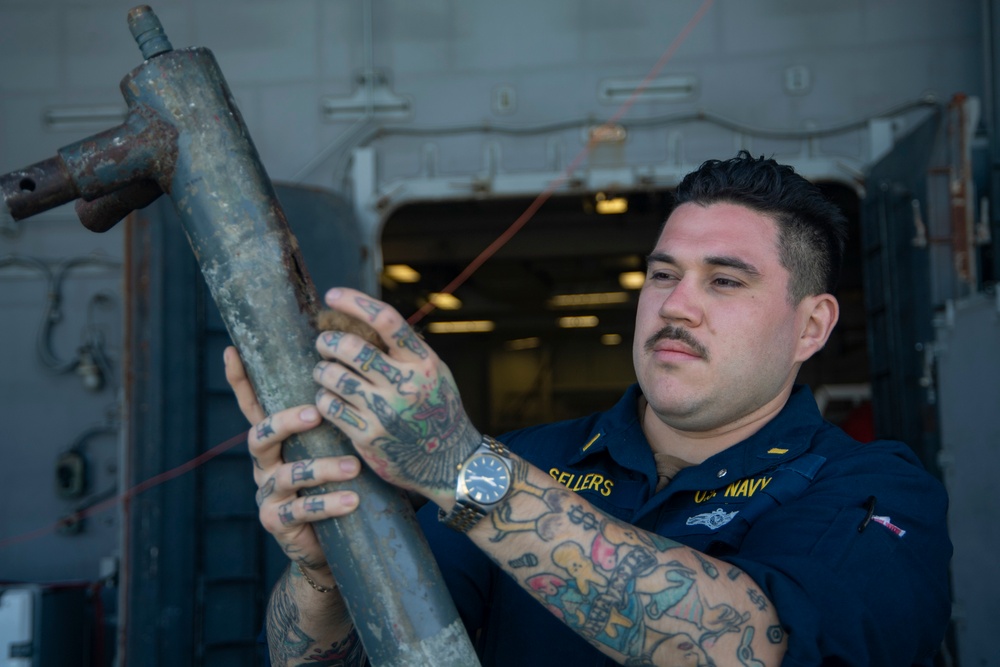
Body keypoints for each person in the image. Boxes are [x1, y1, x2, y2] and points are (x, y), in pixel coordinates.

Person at [224, 152, 952, 666]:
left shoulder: (876, 492)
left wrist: (462, 467)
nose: (677, 303)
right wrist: (329, 573)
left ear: (812, 326)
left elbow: (748, 645)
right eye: (662, 274)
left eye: (725, 281)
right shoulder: (535, 459)